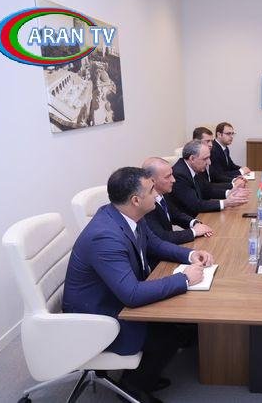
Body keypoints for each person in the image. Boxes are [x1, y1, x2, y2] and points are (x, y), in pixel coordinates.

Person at [62, 167, 214, 403]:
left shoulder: (126, 215)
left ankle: (145, 376)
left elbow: (155, 244)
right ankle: (133, 388)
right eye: (152, 190)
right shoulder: (105, 237)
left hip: (112, 294)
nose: (157, 194)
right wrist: (184, 279)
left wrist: (190, 255)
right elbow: (131, 294)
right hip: (98, 313)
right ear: (135, 200)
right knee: (168, 336)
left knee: (177, 326)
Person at [142, 157, 213, 266]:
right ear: (152, 181)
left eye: (172, 174)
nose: (173, 180)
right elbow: (161, 237)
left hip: (169, 252)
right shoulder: (146, 205)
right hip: (158, 263)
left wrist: (195, 223)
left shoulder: (163, 193)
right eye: (168, 177)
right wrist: (193, 232)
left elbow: (176, 215)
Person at [167, 140, 249, 217]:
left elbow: (207, 190)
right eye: (205, 158)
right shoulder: (179, 174)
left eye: (209, 157)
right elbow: (195, 205)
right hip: (188, 219)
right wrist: (225, 203)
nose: (209, 162)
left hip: (200, 215)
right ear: (192, 158)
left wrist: (229, 193)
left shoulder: (194, 167)